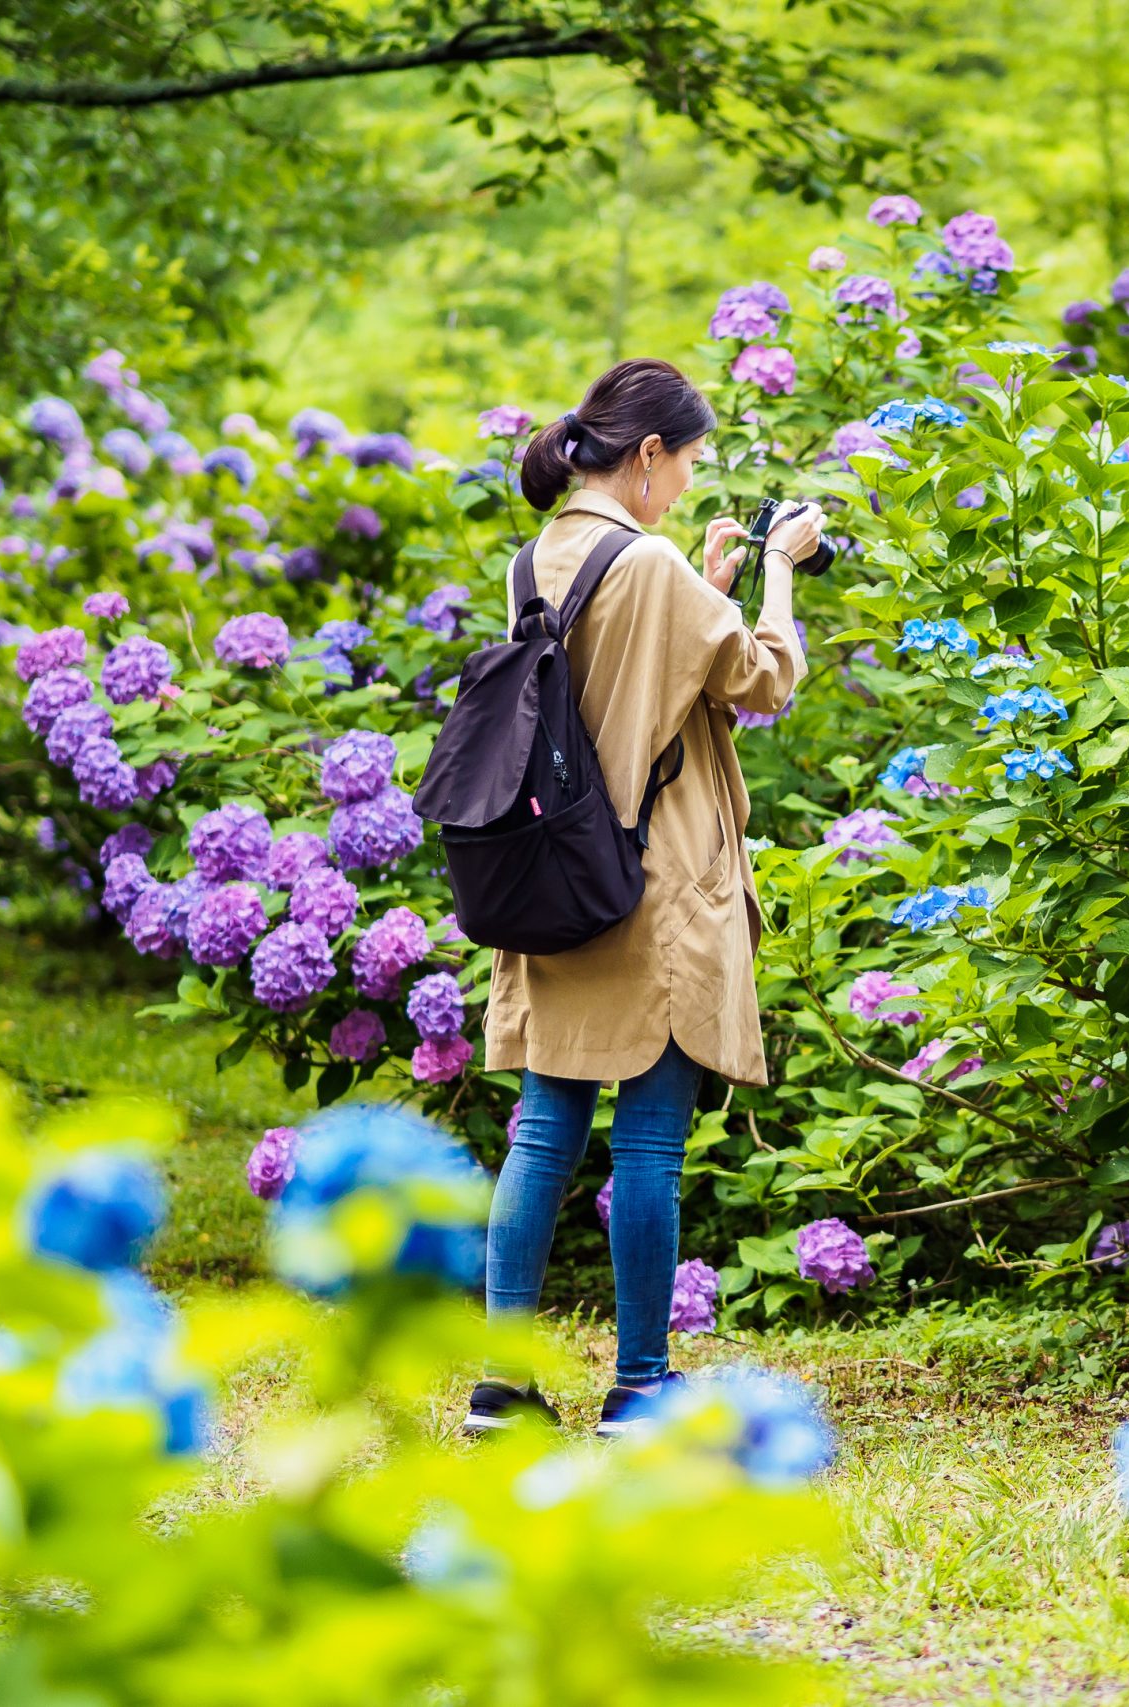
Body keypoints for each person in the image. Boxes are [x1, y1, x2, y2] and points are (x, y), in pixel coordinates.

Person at [460, 357, 816, 1439]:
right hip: (650, 889)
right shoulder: (650, 562)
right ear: (649, 455)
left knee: (543, 1129)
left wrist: (699, 579)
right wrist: (780, 576)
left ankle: (501, 1390)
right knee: (651, 1142)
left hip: (553, 879)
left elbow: (617, 682)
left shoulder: (539, 557)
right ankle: (639, 1387)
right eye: (689, 462)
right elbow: (763, 682)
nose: (688, 483)